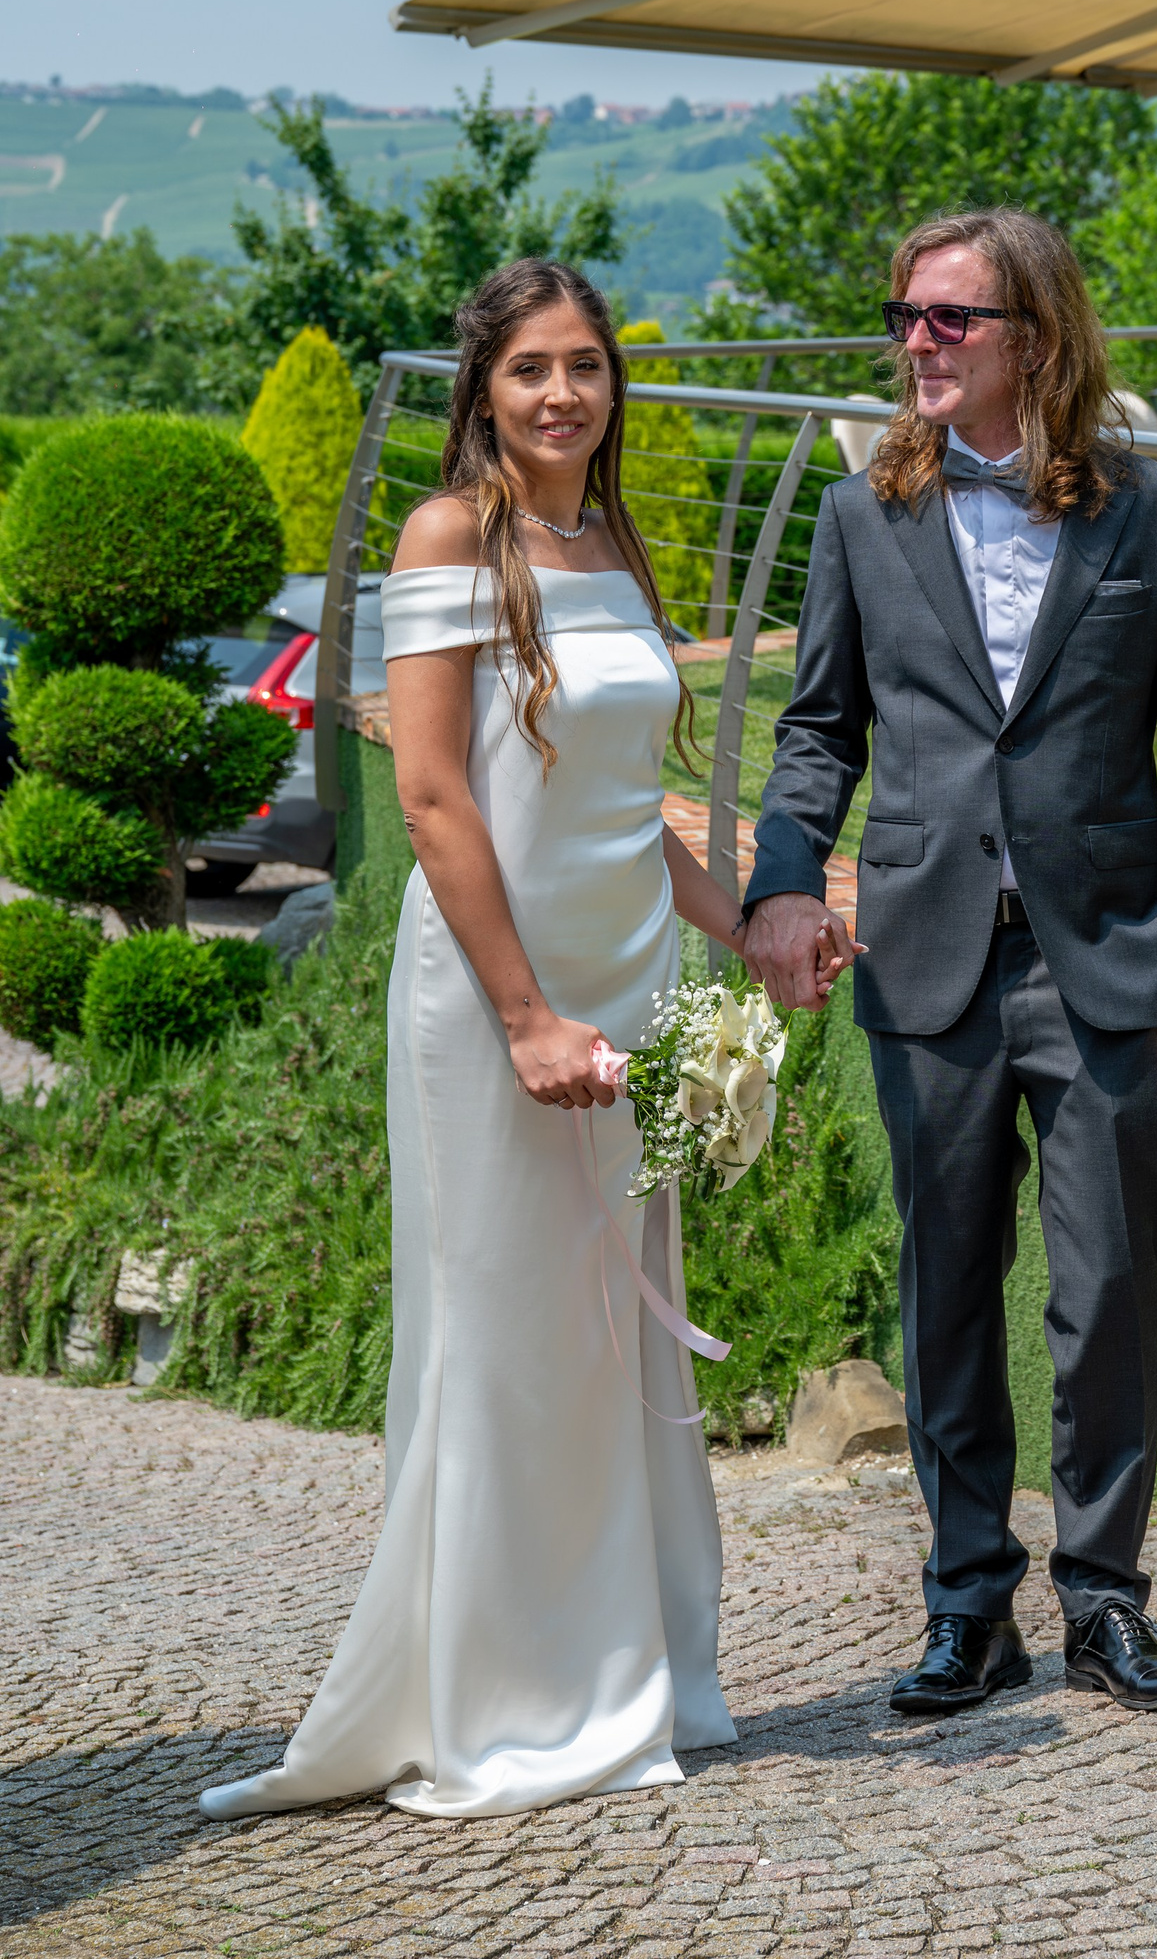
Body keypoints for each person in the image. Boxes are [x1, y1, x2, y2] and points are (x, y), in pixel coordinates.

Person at [200, 257, 851, 1821]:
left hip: (626, 987)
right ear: (482, 390)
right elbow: (434, 797)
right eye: (531, 368)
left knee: (611, 1336)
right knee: (504, 1339)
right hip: (501, 1000)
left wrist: (754, 928)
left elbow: (630, 810)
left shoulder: (614, 542)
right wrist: (526, 1017)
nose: (565, 392)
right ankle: (496, 1702)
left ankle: (626, 1675)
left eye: (587, 364)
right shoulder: (450, 536)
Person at [744, 208, 1157, 1718]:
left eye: (949, 317)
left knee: (1110, 1289)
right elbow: (818, 731)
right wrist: (783, 884)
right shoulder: (861, 517)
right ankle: (969, 1604)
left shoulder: (1151, 515)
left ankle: (1104, 1598)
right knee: (948, 1290)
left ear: (1033, 336)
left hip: (1102, 956)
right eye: (904, 314)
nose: (917, 340)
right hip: (926, 958)